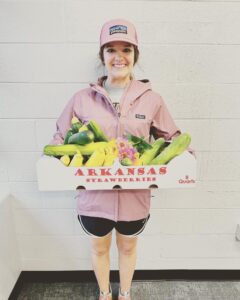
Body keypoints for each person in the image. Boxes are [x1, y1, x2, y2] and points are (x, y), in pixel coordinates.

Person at [50, 19, 182, 300]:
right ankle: (104, 293)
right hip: (94, 196)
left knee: (128, 247)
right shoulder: (82, 98)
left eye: (126, 49)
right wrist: (61, 164)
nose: (119, 57)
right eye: (111, 50)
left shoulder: (152, 99)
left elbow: (172, 138)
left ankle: (124, 294)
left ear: (135, 55)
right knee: (98, 248)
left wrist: (180, 163)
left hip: (135, 197)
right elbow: (59, 138)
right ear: (102, 56)